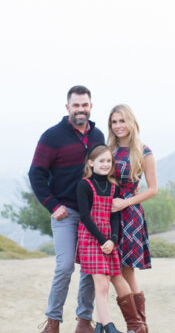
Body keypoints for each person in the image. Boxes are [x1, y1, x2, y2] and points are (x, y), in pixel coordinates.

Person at [30, 85, 104, 333]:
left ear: (91, 107)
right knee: (64, 267)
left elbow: (103, 170)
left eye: (85, 105)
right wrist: (52, 205)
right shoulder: (52, 136)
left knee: (90, 267)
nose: (80, 110)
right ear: (67, 107)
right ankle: (52, 322)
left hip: (92, 213)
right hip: (65, 212)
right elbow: (36, 174)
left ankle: (84, 321)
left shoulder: (98, 136)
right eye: (76, 105)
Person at [75, 145, 146, 333]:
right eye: (101, 161)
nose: (105, 164)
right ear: (91, 163)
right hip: (91, 239)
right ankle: (109, 326)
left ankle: (104, 325)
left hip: (109, 240)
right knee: (102, 284)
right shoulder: (84, 185)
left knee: (115, 278)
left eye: (108, 161)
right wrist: (102, 240)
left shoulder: (114, 187)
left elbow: (115, 215)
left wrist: (113, 239)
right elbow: (85, 217)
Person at [107, 104, 157, 332]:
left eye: (122, 121)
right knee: (117, 270)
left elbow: (153, 189)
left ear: (131, 122)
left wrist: (125, 202)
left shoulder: (143, 151)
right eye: (114, 122)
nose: (118, 126)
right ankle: (140, 326)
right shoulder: (108, 149)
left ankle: (137, 326)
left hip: (130, 212)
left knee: (125, 270)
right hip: (109, 212)